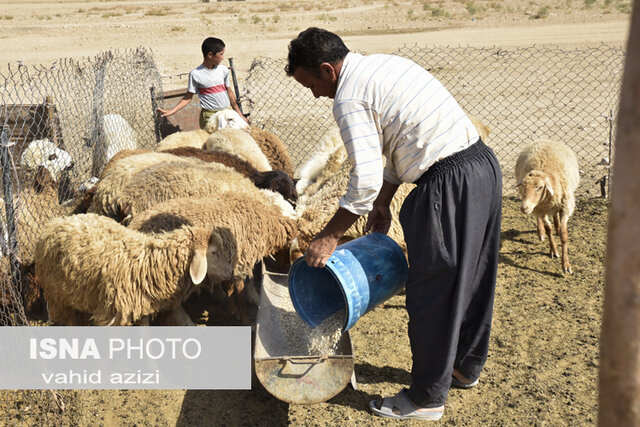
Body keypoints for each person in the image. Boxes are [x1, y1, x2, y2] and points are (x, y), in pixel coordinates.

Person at [285, 27, 502, 421]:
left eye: (311, 84)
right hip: (481, 167)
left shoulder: (348, 97)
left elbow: (363, 179)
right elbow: (396, 143)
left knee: (432, 290)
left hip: (447, 184)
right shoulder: (383, 66)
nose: (314, 94)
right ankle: (465, 367)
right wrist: (383, 202)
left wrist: (330, 237)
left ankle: (425, 400)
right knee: (473, 275)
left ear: (327, 70)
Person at [158, 37, 248, 129]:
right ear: (210, 55)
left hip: (227, 114)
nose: (223, 58)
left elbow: (229, 92)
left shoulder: (223, 70)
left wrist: (239, 114)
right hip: (210, 116)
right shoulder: (196, 74)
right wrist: (172, 111)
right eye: (221, 54)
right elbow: (188, 97)